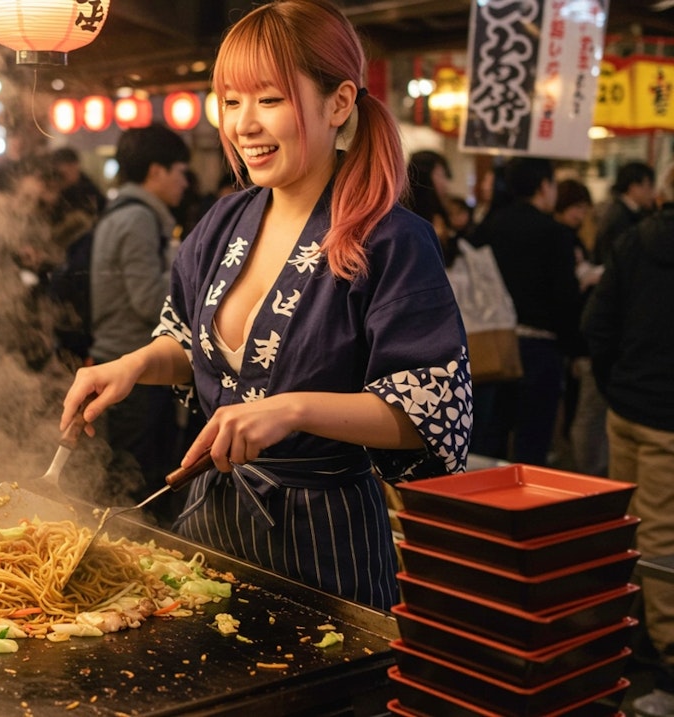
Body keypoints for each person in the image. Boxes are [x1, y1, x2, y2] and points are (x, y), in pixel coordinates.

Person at [61, 0, 471, 611]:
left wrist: (291, 410)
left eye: (269, 100)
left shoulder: (391, 238)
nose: (243, 125)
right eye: (230, 102)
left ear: (339, 102)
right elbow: (190, 340)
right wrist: (135, 366)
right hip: (210, 532)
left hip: (326, 550)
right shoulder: (225, 219)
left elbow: (429, 412)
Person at [581, 163, 674, 717]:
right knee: (662, 541)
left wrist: (616, 386)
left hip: (628, 407)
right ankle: (666, 662)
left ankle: (623, 639)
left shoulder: (632, 241)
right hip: (665, 416)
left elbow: (598, 324)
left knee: (629, 528)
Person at [86, 123, 190, 524]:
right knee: (140, 483)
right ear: (156, 171)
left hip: (121, 360)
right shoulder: (138, 219)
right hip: (135, 369)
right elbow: (148, 299)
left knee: (127, 474)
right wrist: (196, 288)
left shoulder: (120, 213)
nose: (184, 181)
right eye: (180, 170)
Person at [470, 157, 582, 466]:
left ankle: (480, 507)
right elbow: (565, 298)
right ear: (544, 186)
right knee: (532, 441)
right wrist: (574, 348)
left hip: (493, 343)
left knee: (490, 437)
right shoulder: (554, 232)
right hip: (539, 346)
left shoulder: (490, 226)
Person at [553, 178, 607, 476]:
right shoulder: (560, 238)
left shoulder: (572, 237)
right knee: (579, 410)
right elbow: (564, 294)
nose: (581, 214)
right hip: (570, 338)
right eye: (576, 207)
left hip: (573, 337)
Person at [593, 160, 655, 268]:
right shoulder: (620, 216)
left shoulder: (624, 210)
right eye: (648, 186)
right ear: (633, 187)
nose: (652, 192)